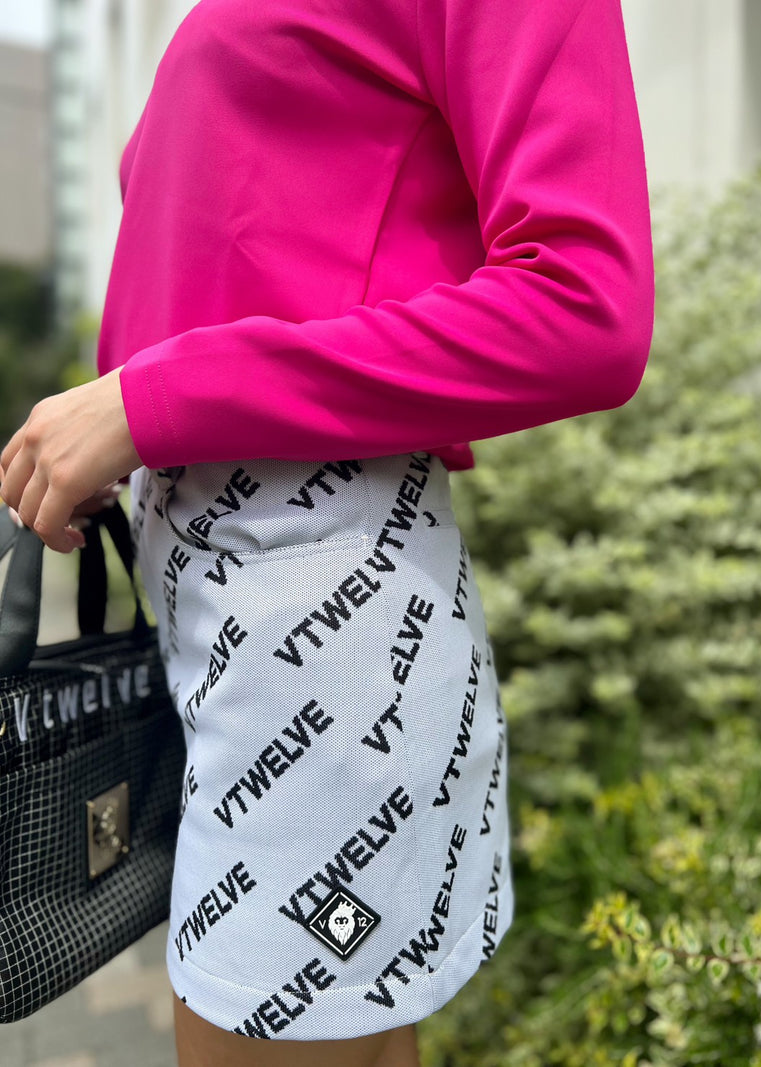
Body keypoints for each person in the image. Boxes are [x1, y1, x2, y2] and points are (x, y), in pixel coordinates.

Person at [0, 0, 654, 1063]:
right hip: (242, 592)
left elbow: (584, 306)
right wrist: (123, 422)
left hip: (317, 601)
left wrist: (150, 401)